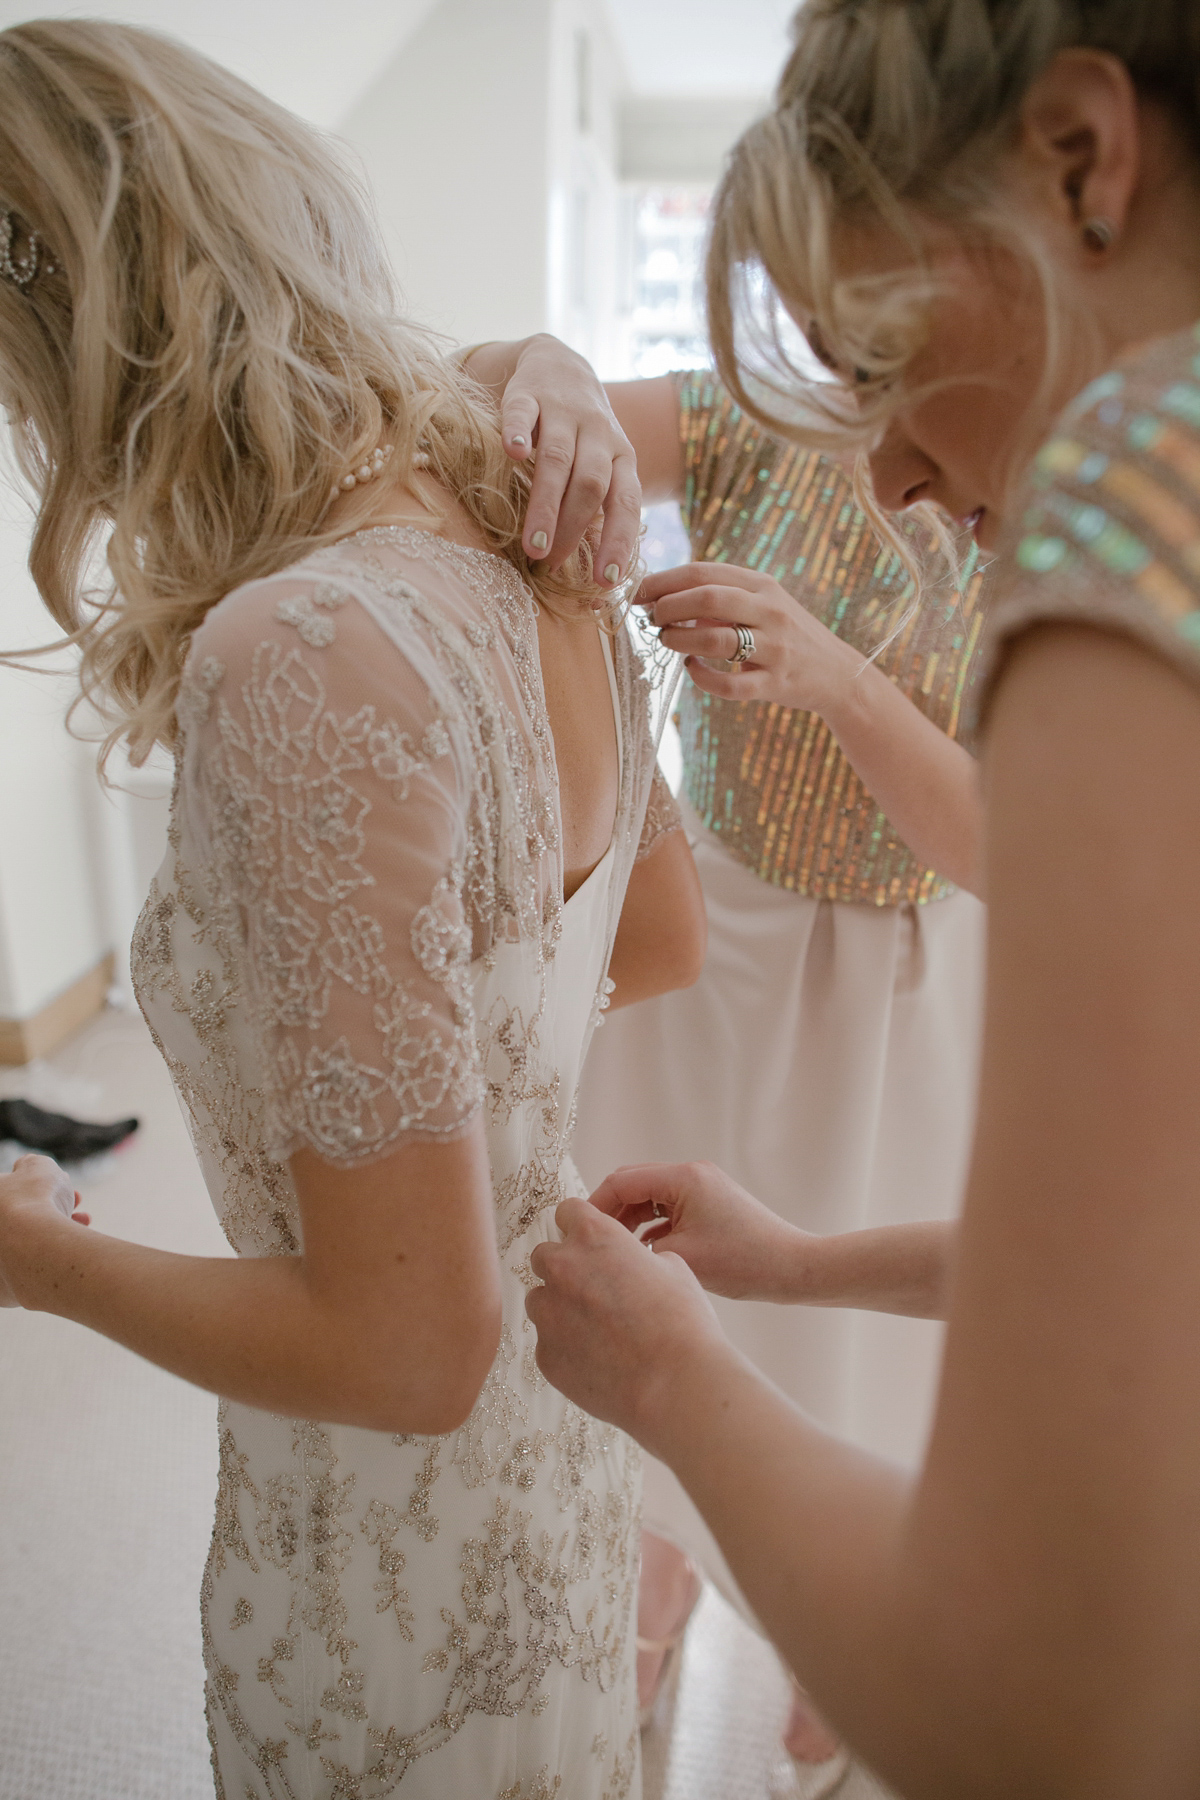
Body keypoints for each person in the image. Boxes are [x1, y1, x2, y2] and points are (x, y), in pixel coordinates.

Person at [0, 20, 706, 1800]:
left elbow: (406, 1351)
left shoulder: (300, 648)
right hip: (558, 1457)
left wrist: (41, 1262)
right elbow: (661, 940)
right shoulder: (526, 517)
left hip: (381, 1563)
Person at [526, 2, 1200, 1794]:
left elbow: (1030, 1705)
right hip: (744, 920)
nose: (890, 466)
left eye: (888, 354)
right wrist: (796, 1271)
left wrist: (671, 1377)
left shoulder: (1134, 509)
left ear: (1080, 159)